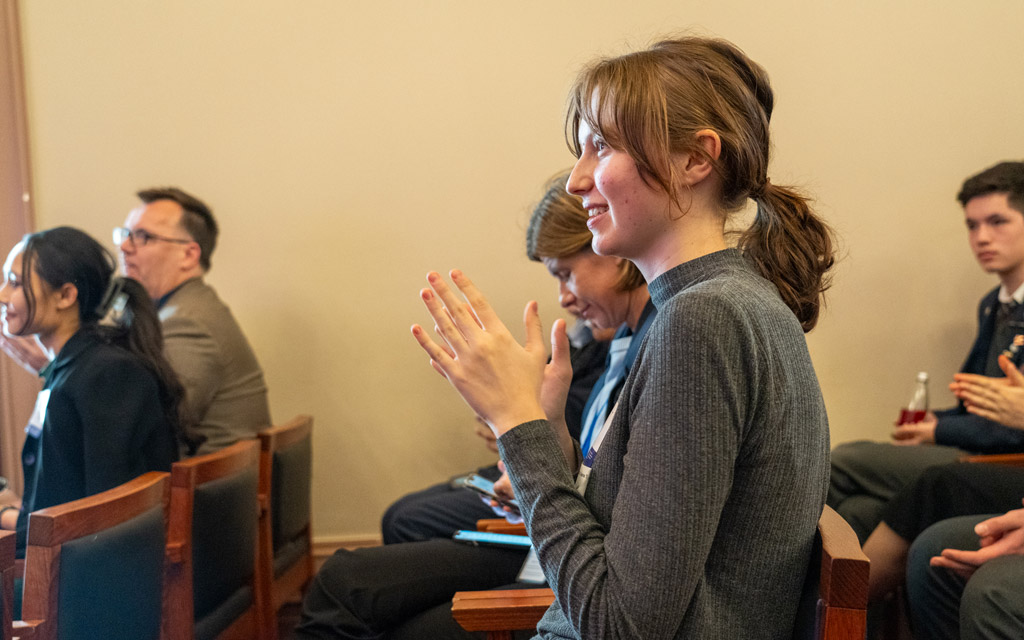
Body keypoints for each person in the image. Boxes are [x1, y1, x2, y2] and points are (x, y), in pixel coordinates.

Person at [411, 36, 833, 639]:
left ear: (696, 159)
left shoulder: (703, 319)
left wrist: (517, 424)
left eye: (600, 147)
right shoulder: (713, 303)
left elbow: (620, 626)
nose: (576, 181)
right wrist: (552, 438)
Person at [296, 171, 656, 639]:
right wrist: (531, 444)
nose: (563, 296)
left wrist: (518, 424)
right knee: (356, 580)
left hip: (570, 580)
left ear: (606, 243)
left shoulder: (662, 338)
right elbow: (592, 479)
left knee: (351, 586)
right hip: (557, 559)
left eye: (566, 273)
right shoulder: (628, 338)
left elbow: (619, 548)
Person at [830, 161, 1024, 542]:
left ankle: (793, 598)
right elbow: (976, 403)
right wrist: (933, 420)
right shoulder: (993, 303)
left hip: (998, 461)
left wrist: (941, 429)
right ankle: (847, 601)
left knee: (844, 460)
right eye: (972, 225)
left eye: (997, 222)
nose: (982, 237)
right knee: (859, 511)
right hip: (971, 447)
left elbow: (1011, 421)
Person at [0, 188, 272, 456]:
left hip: (201, 493)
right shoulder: (185, 309)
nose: (124, 246)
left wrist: (58, 368)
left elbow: (148, 429)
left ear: (188, 255)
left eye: (143, 237)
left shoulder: (187, 323)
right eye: (125, 234)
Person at [0, 227, 181, 558]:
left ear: (66, 296)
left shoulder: (105, 373)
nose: (2, 295)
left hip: (87, 580)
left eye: (14, 283)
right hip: (59, 558)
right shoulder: (71, 368)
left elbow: (105, 516)